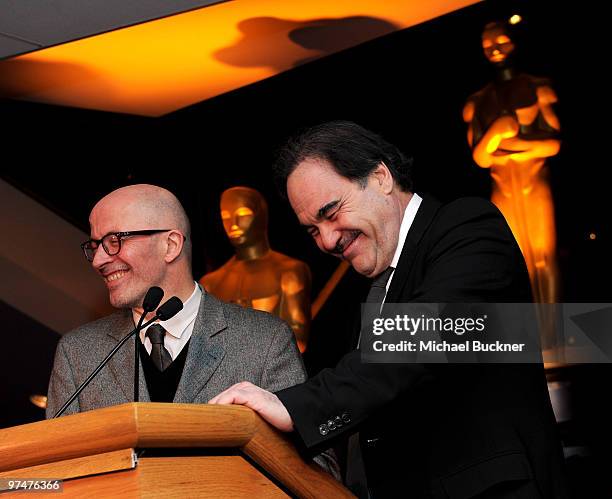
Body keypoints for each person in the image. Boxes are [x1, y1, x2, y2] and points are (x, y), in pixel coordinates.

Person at [209, 121, 568, 498]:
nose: (328, 240)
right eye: (313, 230)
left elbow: (422, 337)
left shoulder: (467, 224)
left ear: (380, 176)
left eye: (331, 212)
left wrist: (293, 406)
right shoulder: (371, 285)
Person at [46, 184, 307, 416]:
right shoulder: (77, 352)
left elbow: (312, 467)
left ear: (170, 245)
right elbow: (54, 466)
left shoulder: (266, 340)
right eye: (94, 246)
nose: (99, 260)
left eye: (114, 240)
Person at [463, 21, 561, 348]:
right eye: (487, 44)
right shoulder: (478, 102)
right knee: (515, 259)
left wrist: (511, 143)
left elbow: (552, 143)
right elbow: (480, 156)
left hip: (534, 182)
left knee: (544, 256)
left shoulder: (538, 87)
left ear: (514, 43)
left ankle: (552, 331)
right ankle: (527, 333)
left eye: (501, 40)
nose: (495, 49)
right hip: (503, 186)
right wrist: (496, 133)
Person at [201, 186, 312, 352]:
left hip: (274, 373)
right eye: (226, 217)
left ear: (261, 215)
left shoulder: (290, 272)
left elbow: (297, 342)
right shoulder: (210, 283)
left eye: (243, 215)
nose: (233, 225)